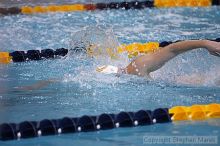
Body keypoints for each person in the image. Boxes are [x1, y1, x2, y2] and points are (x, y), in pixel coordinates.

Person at [18, 40, 220, 91]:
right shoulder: (138, 68)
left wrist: (204, 44)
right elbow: (173, 50)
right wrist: (203, 43)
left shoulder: (139, 69)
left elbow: (172, 50)